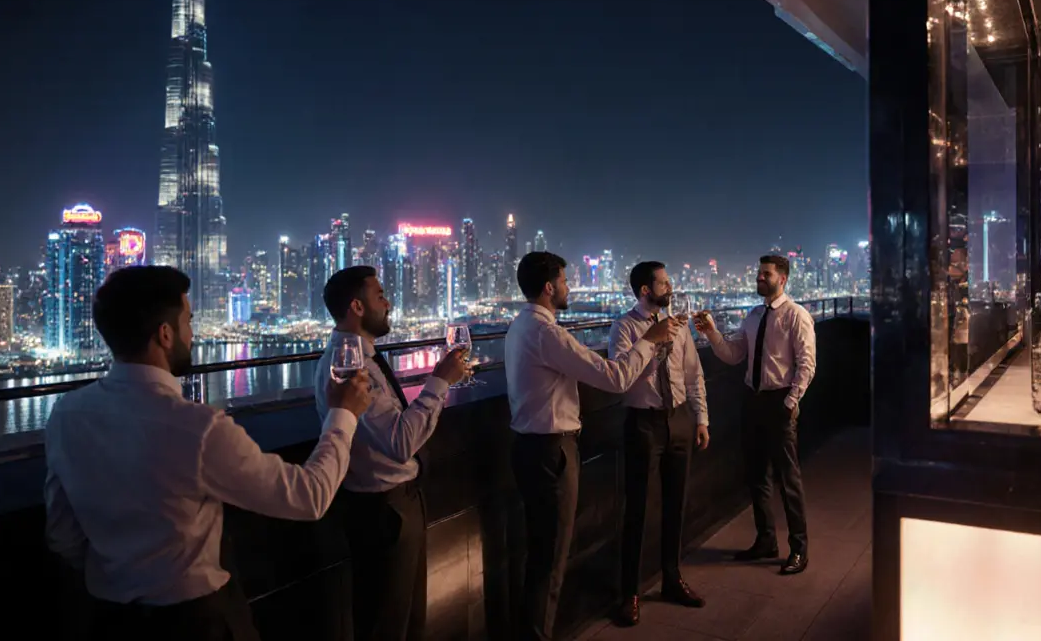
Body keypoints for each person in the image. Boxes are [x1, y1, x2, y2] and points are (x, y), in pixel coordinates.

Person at [44, 266, 371, 641]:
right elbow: (308, 497)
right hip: (195, 621)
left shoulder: (66, 415)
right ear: (165, 335)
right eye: (189, 320)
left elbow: (62, 535)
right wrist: (342, 414)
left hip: (108, 619)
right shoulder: (197, 428)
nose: (192, 333)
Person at [505, 251, 677, 640]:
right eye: (565, 281)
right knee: (550, 560)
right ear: (549, 287)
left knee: (540, 555)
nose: (570, 287)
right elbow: (615, 378)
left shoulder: (519, 326)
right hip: (552, 454)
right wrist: (648, 341)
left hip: (528, 449)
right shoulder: (547, 333)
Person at [313, 266, 469, 641]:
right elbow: (400, 443)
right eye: (380, 295)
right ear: (357, 306)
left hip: (397, 504)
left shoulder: (365, 359)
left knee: (408, 618)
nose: (389, 302)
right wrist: (439, 381)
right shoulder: (349, 367)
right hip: (381, 513)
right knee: (387, 622)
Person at [694, 254, 816, 576]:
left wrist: (790, 402)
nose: (760, 278)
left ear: (783, 279)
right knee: (757, 475)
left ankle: (799, 549)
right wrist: (712, 333)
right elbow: (734, 355)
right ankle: (766, 540)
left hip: (779, 402)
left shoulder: (796, 316)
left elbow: (807, 365)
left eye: (766, 274)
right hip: (753, 401)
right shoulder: (753, 316)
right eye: (759, 273)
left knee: (788, 478)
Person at [609, 262, 709, 627]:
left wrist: (701, 419)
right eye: (664, 282)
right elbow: (620, 376)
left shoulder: (679, 326)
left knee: (675, 504)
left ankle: (671, 578)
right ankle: (630, 593)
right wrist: (653, 342)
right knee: (636, 509)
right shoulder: (624, 327)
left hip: (679, 419)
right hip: (644, 423)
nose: (671, 286)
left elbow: (693, 374)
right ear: (646, 290)